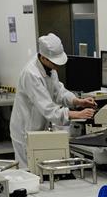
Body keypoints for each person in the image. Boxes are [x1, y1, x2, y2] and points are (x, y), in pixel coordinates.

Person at [9, 33, 98, 168]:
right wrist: (76, 114)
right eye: (55, 63)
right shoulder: (31, 74)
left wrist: (78, 101)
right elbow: (48, 109)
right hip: (25, 130)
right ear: (43, 58)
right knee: (28, 170)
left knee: (40, 168)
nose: (58, 66)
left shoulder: (49, 68)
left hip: (38, 129)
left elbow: (59, 92)